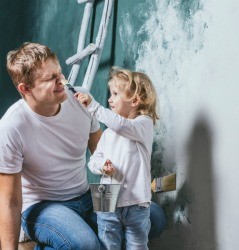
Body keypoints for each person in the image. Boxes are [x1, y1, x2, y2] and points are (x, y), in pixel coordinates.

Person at [0, 42, 166, 250]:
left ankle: (73, 238)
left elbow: (102, 152)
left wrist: (131, 184)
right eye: (50, 78)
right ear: (25, 89)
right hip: (44, 206)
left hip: (86, 195)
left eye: (59, 72)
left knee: (154, 218)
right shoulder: (12, 126)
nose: (61, 81)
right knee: (87, 245)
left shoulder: (80, 99)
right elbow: (9, 200)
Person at [75, 67, 159, 249]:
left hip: (136, 201)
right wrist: (102, 167)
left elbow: (121, 125)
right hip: (106, 197)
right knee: (107, 245)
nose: (109, 99)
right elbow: (93, 160)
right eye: (110, 94)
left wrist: (93, 106)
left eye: (115, 94)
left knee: (137, 245)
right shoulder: (108, 134)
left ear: (135, 100)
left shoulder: (143, 125)